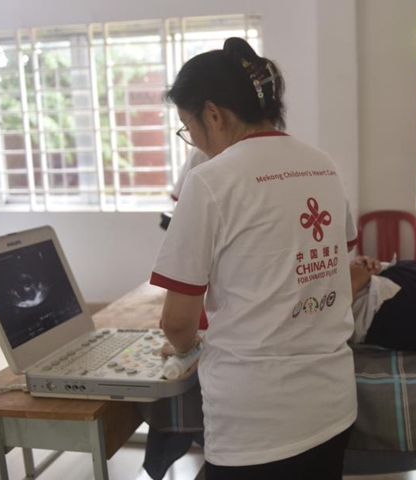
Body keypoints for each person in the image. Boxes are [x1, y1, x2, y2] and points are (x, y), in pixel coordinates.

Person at [150, 38, 358, 480]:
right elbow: (334, 269)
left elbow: (176, 322)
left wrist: (187, 349)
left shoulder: (209, 181)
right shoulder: (322, 166)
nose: (196, 142)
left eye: (189, 128)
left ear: (213, 114)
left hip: (256, 426)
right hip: (333, 406)